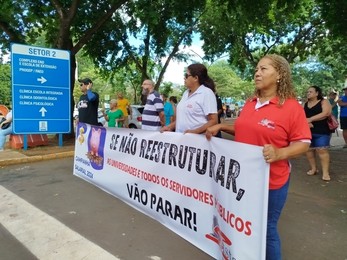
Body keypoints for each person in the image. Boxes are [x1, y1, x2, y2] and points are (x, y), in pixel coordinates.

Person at [205, 54, 311, 260]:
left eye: (264, 69)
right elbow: (247, 131)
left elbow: (303, 143)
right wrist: (222, 127)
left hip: (271, 182)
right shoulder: (250, 102)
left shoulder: (291, 107)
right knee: (243, 223)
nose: (257, 73)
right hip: (241, 180)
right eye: (256, 69)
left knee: (267, 229)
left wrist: (280, 153)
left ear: (279, 75)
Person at [161, 63, 218, 134]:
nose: (184, 78)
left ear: (195, 78)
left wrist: (195, 132)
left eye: (186, 75)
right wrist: (169, 127)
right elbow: (182, 120)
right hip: (181, 140)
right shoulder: (185, 93)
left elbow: (213, 121)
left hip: (196, 142)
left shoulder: (206, 93)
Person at [304, 86, 332, 181]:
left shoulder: (324, 102)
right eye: (307, 92)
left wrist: (310, 119)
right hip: (307, 130)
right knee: (309, 151)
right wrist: (307, 122)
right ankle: (313, 169)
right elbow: (300, 115)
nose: (308, 93)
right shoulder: (305, 103)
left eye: (311, 92)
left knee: (322, 151)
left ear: (317, 93)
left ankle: (325, 173)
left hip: (322, 130)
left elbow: (326, 113)